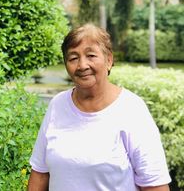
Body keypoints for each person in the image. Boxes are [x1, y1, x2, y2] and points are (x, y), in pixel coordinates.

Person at [28, 23, 171, 191]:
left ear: (109, 60)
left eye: (91, 55)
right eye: (73, 58)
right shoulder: (57, 105)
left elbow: (155, 186)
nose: (82, 65)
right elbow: (40, 173)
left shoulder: (132, 110)